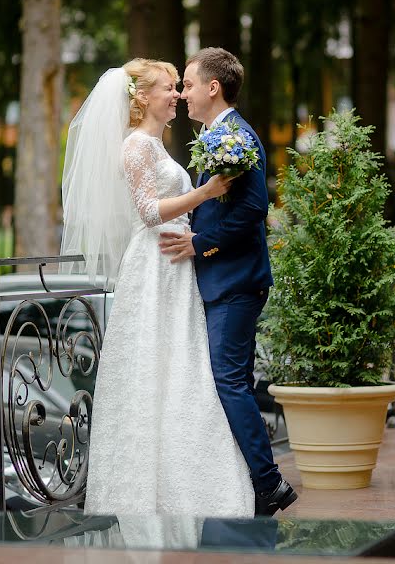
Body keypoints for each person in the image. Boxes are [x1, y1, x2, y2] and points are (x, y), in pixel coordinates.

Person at [59, 58, 254, 518]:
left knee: (182, 366)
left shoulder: (158, 147)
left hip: (175, 264)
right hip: (153, 265)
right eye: (169, 88)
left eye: (178, 87)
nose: (177, 95)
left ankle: (192, 481)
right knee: (154, 367)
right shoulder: (135, 147)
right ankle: (146, 489)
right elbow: (148, 211)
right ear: (143, 97)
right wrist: (205, 194)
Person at [159, 47, 297, 517]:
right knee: (231, 379)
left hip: (237, 281)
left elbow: (254, 210)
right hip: (223, 282)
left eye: (190, 85)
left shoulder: (239, 137)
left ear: (213, 88)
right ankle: (248, 478)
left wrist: (202, 243)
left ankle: (269, 483)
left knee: (230, 381)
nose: (184, 94)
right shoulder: (219, 135)